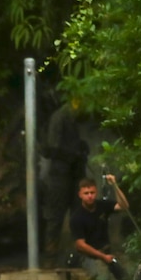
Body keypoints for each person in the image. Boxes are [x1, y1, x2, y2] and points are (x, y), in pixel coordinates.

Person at [39, 94, 87, 265]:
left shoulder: (74, 119)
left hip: (74, 175)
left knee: (77, 216)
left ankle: (76, 257)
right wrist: (73, 154)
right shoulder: (60, 117)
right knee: (55, 217)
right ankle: (50, 258)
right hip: (59, 175)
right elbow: (52, 148)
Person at [70, 175, 129, 280]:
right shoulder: (77, 217)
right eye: (86, 193)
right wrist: (102, 256)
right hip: (89, 256)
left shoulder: (101, 205)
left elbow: (124, 206)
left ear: (96, 192)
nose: (90, 196)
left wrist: (114, 185)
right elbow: (80, 245)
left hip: (106, 252)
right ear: (80, 195)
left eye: (92, 193)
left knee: (126, 278)